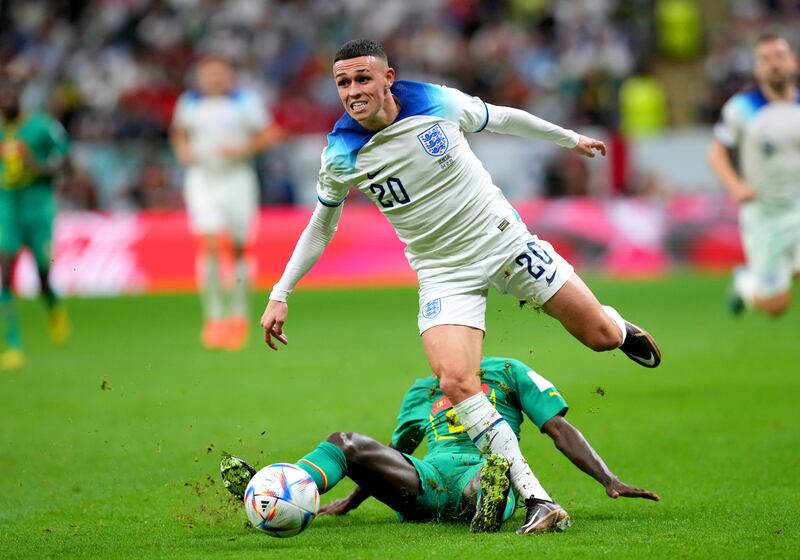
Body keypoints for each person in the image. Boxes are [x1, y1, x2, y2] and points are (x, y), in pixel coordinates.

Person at [259, 39, 661, 534]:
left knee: (598, 335)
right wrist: (282, 292)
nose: (353, 91)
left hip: (504, 241)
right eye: (343, 82)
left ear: (388, 78)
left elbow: (504, 118)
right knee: (455, 379)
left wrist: (568, 139)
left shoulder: (435, 102)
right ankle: (537, 498)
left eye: (363, 79)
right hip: (442, 271)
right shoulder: (341, 151)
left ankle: (618, 326)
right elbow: (321, 226)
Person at [220, 356, 659, 534]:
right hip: (425, 478)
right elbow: (392, 452)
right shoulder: (422, 389)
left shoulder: (507, 372)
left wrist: (608, 479)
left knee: (495, 469)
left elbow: (560, 429)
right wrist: (351, 502)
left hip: (480, 468)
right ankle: (290, 486)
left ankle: (486, 501)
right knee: (346, 443)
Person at [171, 54, 284, 351]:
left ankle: (238, 316)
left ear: (229, 75)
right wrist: (183, 149)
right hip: (202, 180)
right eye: (208, 74)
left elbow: (271, 133)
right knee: (208, 244)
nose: (214, 79)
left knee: (238, 250)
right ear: (200, 76)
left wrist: (243, 148)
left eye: (219, 73)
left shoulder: (244, 102)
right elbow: (179, 133)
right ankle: (214, 318)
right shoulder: (189, 102)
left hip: (237, 180)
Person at [708, 33, 800, 317]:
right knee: (775, 306)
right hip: (765, 213)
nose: (774, 64)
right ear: (757, 69)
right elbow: (716, 152)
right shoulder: (742, 108)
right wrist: (735, 187)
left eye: (779, 57)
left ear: (793, 62)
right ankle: (745, 283)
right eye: (766, 59)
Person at [0, 79, 71, 371]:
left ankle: (53, 307)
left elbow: (65, 163)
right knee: (4, 274)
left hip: (39, 210)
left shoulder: (42, 127)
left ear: (20, 97)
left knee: (43, 275)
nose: (5, 101)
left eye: (9, 95)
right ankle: (13, 345)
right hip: (7, 210)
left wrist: (35, 166)